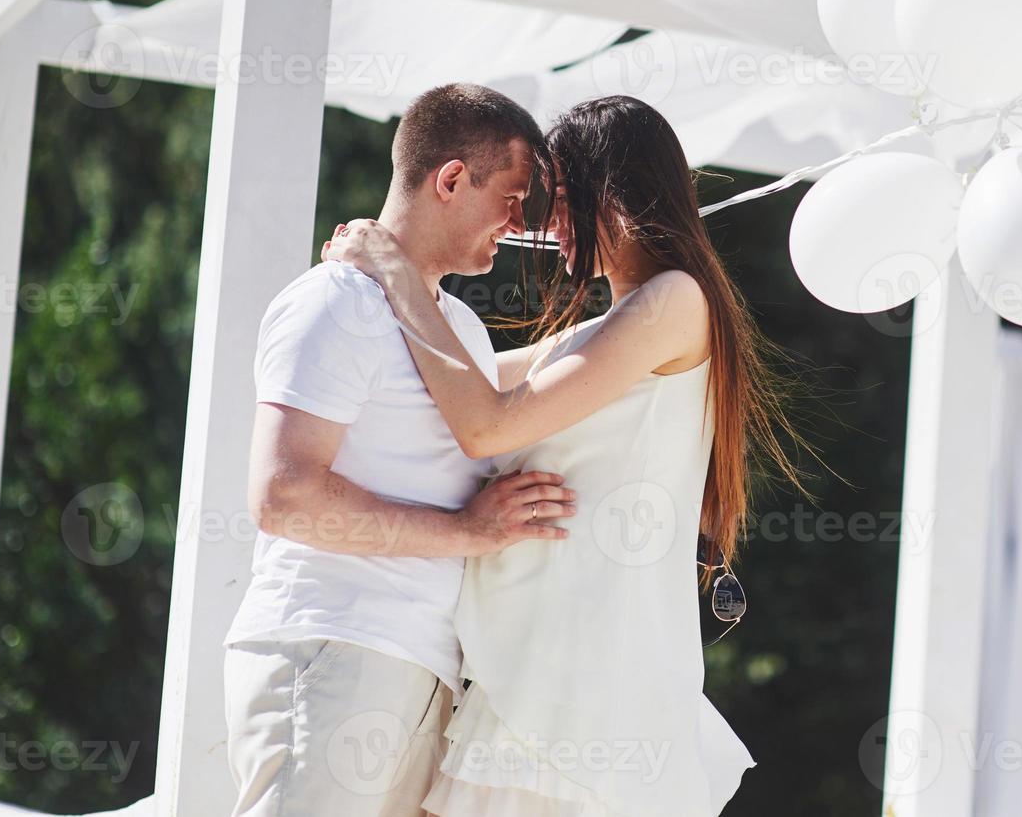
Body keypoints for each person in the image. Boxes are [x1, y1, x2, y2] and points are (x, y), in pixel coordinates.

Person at [324, 94, 807, 817]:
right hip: (540, 665)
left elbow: (484, 424)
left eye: (556, 196)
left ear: (607, 195)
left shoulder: (672, 303)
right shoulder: (611, 327)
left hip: (580, 676)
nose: (541, 223)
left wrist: (394, 270)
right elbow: (462, 381)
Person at [222, 83, 578, 817]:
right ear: (450, 179)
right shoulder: (336, 300)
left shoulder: (461, 331)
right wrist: (468, 532)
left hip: (416, 668)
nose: (518, 225)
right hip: (333, 647)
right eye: (511, 197)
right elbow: (282, 496)